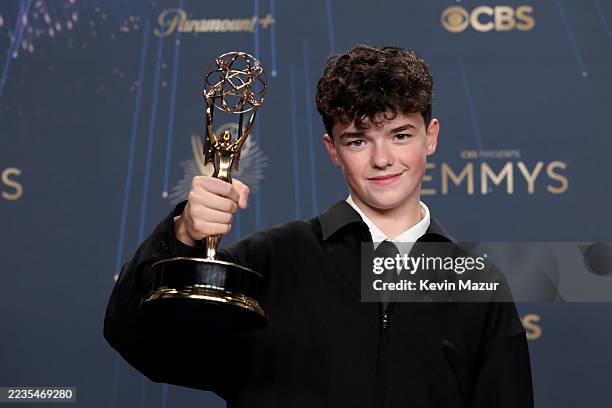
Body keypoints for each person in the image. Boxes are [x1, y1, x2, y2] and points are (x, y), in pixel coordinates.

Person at [104, 45, 534, 407]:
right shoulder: (269, 263)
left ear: (431, 136)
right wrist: (181, 237)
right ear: (333, 149)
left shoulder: (477, 286)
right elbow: (139, 339)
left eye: (401, 135)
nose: (382, 159)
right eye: (358, 140)